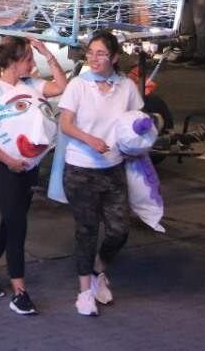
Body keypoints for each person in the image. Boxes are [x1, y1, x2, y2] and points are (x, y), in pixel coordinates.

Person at [0, 36, 69, 315]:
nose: (31, 63)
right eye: (28, 58)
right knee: (17, 228)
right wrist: (8, 160)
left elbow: (62, 87)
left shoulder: (32, 84)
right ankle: (20, 291)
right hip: (6, 168)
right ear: (13, 63)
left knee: (10, 221)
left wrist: (46, 53)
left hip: (29, 166)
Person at [58, 30, 143, 317]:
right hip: (80, 168)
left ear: (115, 57)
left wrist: (139, 143)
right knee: (87, 230)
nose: (94, 59)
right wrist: (89, 139)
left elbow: (137, 123)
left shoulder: (127, 87)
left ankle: (97, 270)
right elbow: (65, 125)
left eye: (101, 53)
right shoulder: (78, 86)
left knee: (120, 230)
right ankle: (84, 292)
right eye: (91, 52)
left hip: (113, 168)